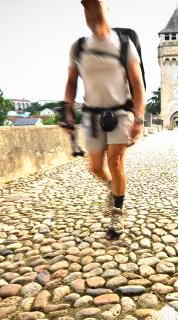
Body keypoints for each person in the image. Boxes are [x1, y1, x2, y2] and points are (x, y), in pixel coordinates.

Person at [62, 0, 145, 239]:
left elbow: (137, 84)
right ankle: (112, 188)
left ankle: (117, 214)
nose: (91, 13)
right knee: (96, 167)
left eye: (95, 7)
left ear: (106, 10)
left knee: (115, 162)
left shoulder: (123, 44)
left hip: (121, 113)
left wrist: (138, 118)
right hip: (92, 115)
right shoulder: (78, 47)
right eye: (86, 8)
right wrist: (67, 109)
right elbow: (71, 82)